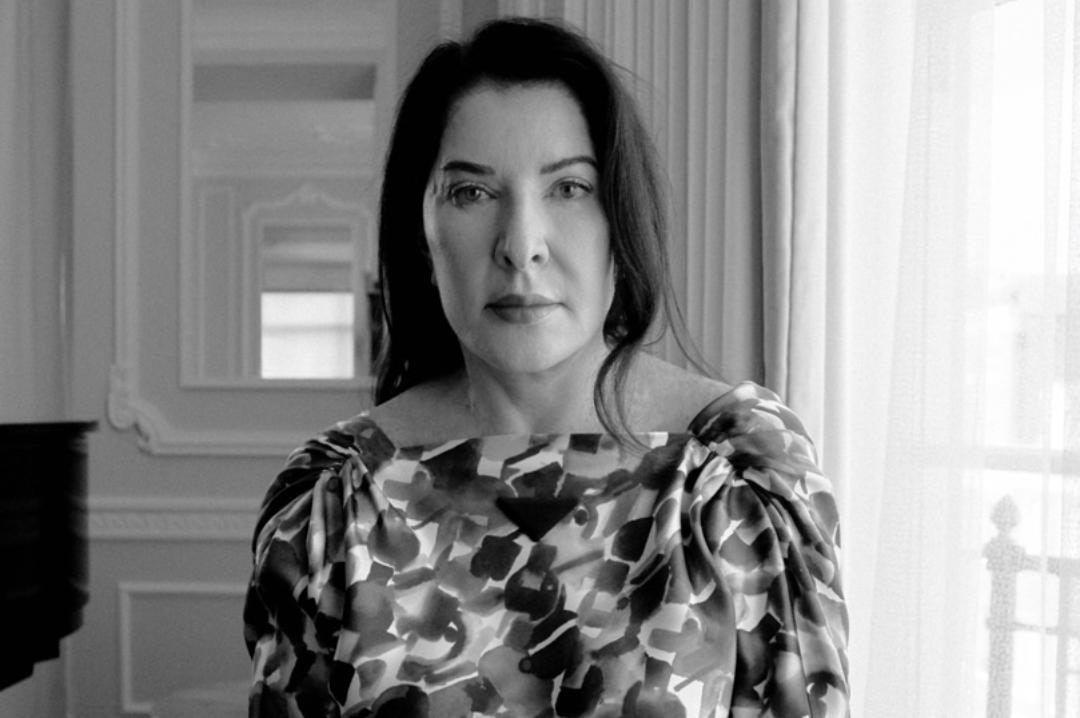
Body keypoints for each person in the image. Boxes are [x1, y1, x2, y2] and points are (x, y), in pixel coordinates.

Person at [243, 17, 848, 718]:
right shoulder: (333, 503)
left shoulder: (740, 477)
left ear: (621, 218)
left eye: (568, 188)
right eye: (471, 193)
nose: (521, 244)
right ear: (421, 234)